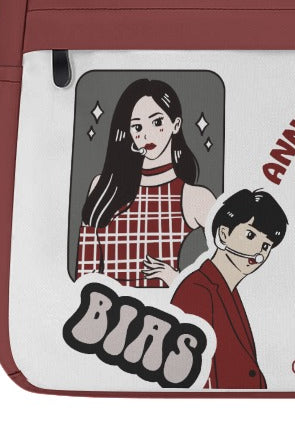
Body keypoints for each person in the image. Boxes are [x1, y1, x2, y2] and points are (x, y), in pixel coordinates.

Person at [75, 79, 215, 288]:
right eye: (137, 127)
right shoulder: (103, 186)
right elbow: (84, 276)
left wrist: (175, 278)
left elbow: (224, 276)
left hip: (167, 307)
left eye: (157, 122)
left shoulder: (194, 197)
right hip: (106, 306)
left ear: (176, 125)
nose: (146, 134)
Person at [170, 189, 288, 390]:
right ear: (224, 234)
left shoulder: (227, 289)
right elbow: (194, 376)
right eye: (250, 235)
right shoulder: (198, 290)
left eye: (266, 245)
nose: (259, 252)